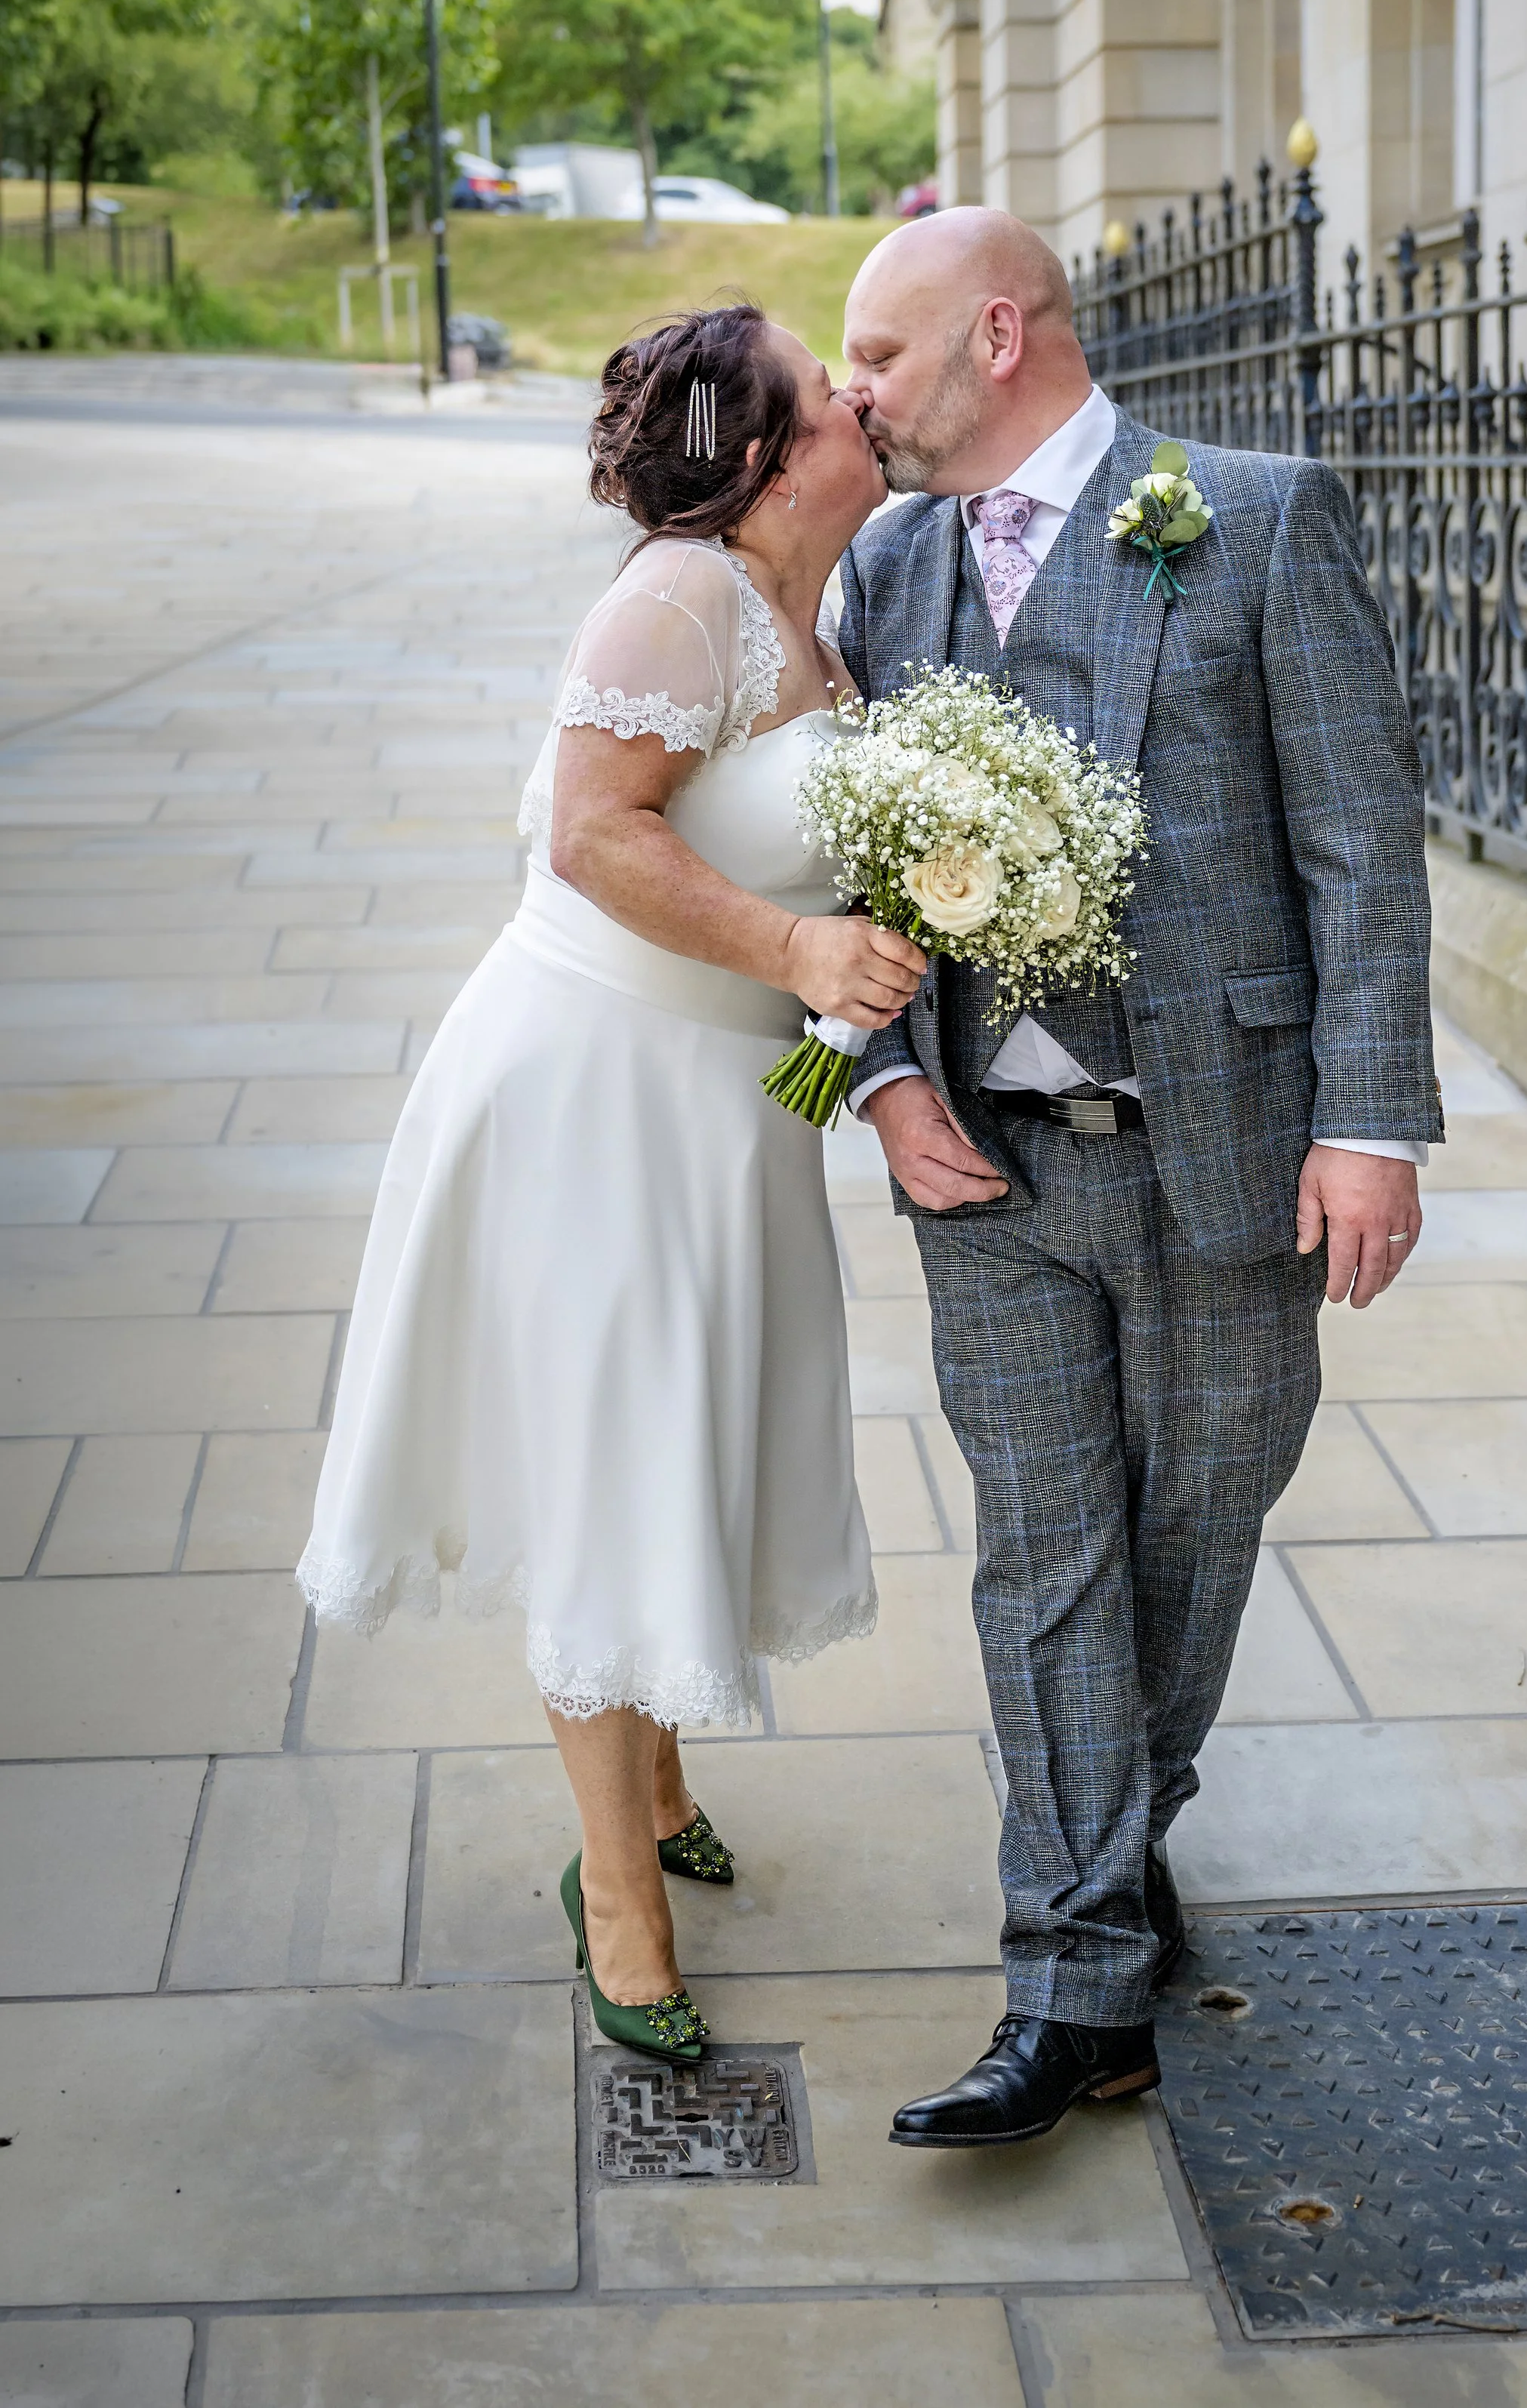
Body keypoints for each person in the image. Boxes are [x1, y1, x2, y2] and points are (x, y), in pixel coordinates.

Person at [836, 209, 1441, 2147]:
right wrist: (860, 1085)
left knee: (1191, 1542)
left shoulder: (1244, 518)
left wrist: (1370, 1126)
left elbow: (1359, 847)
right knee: (1040, 1565)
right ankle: (1073, 1981)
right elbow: (822, 888)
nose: (852, 393)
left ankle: (1118, 1832)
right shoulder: (880, 569)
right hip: (985, 1172)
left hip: (1232, 1161)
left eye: (877, 353)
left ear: (991, 337)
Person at [297, 304, 925, 2061]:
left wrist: (835, 1013)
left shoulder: (820, 604)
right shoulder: (674, 595)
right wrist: (800, 945)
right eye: (830, 389)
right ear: (763, 459)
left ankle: (651, 1796)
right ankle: (619, 1902)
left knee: (679, 1443)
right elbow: (592, 834)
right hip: (595, 1091)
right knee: (609, 1465)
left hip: (726, 1102)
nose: (861, 397)